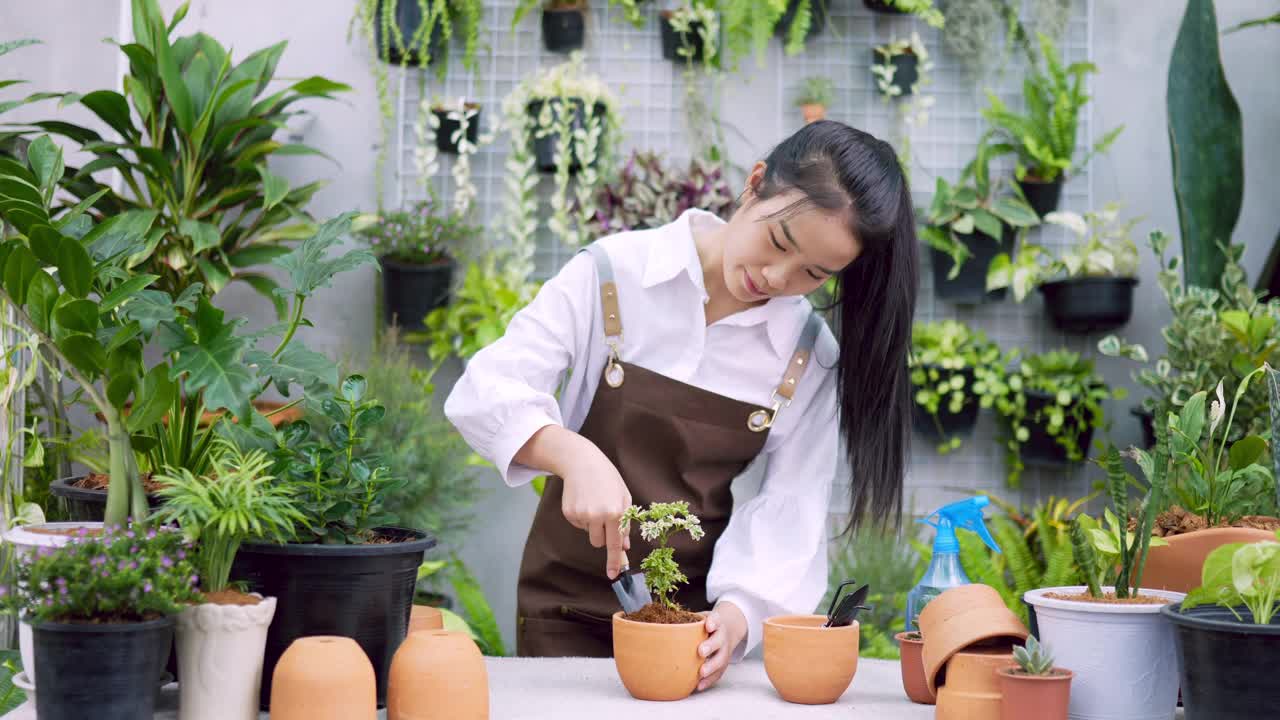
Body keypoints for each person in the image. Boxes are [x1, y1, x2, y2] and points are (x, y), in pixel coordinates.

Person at [445, 120, 917, 690]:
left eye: (813, 275)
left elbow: (791, 507)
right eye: (779, 242)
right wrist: (572, 455)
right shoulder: (613, 275)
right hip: (561, 610)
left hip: (690, 631)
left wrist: (738, 617)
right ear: (755, 184)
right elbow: (488, 388)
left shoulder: (805, 356)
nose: (775, 277)